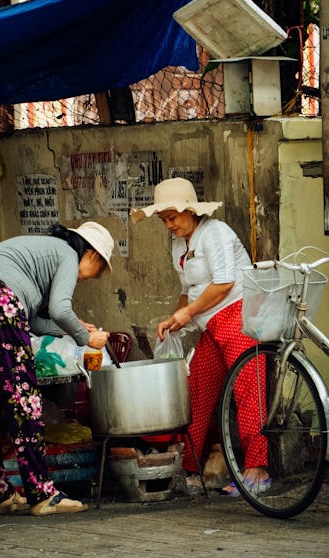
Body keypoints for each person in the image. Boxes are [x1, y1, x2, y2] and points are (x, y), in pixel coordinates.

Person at [0, 221, 113, 516]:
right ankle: (41, 493)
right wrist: (86, 337)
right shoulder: (68, 253)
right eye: (95, 272)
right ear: (92, 255)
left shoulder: (43, 254)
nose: (84, 280)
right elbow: (60, 310)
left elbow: (36, 320)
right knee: (23, 399)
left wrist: (72, 330)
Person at [131, 177, 269, 495]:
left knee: (248, 392)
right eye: (164, 219)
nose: (169, 225)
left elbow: (222, 284)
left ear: (190, 211)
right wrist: (175, 317)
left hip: (239, 319)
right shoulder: (179, 244)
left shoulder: (215, 233)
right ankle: (191, 469)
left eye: (173, 218)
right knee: (197, 393)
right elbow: (186, 291)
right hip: (211, 327)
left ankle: (257, 470)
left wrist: (188, 313)